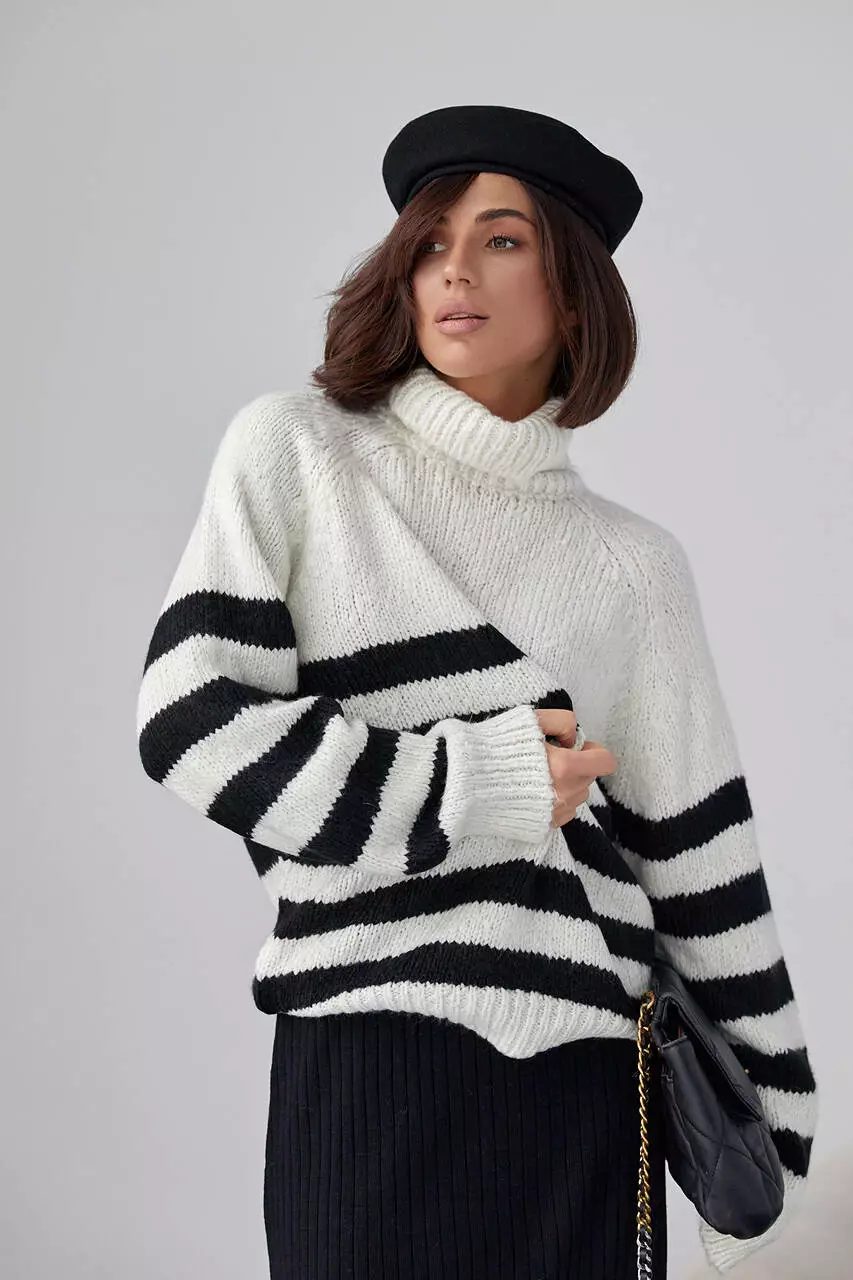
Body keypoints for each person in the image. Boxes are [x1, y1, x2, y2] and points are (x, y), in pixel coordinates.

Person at [135, 106, 817, 1279]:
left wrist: (771, 1137)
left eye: (501, 239)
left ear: (575, 291)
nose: (454, 268)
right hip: (367, 1062)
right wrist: (481, 781)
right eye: (431, 240)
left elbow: (700, 863)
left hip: (588, 1092)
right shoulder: (298, 454)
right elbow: (192, 721)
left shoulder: (632, 565)